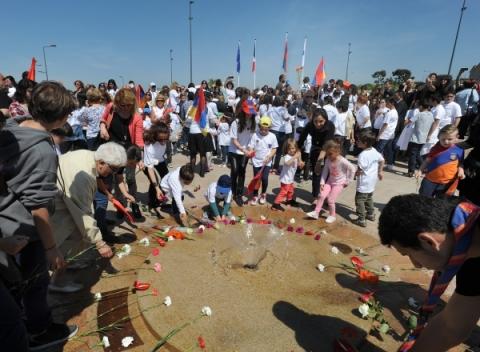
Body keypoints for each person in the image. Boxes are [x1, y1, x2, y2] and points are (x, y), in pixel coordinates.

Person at [0, 81, 78, 350]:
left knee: (14, 284)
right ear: (60, 118)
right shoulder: (43, 151)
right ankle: (39, 329)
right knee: (35, 282)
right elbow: (38, 206)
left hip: (5, 222)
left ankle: (22, 320)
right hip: (23, 228)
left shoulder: (12, 128)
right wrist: (52, 248)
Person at [378, 194, 480, 352]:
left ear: (428, 242)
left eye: (409, 254)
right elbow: (450, 328)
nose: (416, 265)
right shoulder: (468, 258)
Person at [48, 143, 122, 293]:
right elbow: (83, 214)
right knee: (60, 242)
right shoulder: (84, 175)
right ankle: (56, 281)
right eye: (113, 169)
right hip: (57, 208)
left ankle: (68, 263)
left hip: (62, 200)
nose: (113, 173)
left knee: (79, 236)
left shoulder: (89, 156)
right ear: (101, 162)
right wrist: (100, 242)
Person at [99, 87, 144, 219]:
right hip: (111, 150)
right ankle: (120, 206)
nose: (125, 108)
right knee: (114, 179)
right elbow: (103, 119)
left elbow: (139, 140)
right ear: (117, 102)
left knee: (130, 178)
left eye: (128, 105)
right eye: (122, 105)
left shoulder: (137, 117)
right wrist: (103, 127)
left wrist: (139, 158)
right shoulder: (111, 107)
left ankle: (133, 204)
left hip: (129, 152)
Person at [307, 140, 355, 223]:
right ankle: (316, 212)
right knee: (321, 195)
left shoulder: (342, 161)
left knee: (330, 200)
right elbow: (325, 171)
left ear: (337, 151)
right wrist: (322, 182)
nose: (328, 156)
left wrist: (348, 181)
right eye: (327, 154)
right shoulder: (328, 160)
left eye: (330, 154)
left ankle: (332, 215)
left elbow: (353, 169)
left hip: (339, 184)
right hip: (329, 182)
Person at [417, 124, 465, 197]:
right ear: (439, 138)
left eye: (449, 139)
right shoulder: (435, 148)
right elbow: (427, 161)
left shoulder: (460, 150)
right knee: (424, 200)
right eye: (443, 139)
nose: (446, 142)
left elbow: (460, 163)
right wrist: (420, 170)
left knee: (441, 204)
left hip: (447, 183)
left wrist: (461, 170)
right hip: (430, 180)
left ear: (457, 138)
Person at [297, 108, 335, 198]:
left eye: (321, 121)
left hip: (328, 149)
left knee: (328, 174)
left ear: (326, 119)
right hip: (315, 148)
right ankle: (316, 196)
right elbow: (300, 141)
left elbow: (326, 145)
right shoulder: (309, 125)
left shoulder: (330, 125)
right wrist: (298, 156)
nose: (318, 124)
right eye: (315, 121)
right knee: (316, 173)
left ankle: (326, 195)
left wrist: (320, 161)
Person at [354, 130, 384, 227]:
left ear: (365, 143)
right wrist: (380, 171)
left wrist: (354, 174)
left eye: (358, 140)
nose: (356, 141)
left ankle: (361, 219)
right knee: (369, 197)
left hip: (364, 182)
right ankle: (371, 214)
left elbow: (360, 170)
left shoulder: (362, 155)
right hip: (372, 181)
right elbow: (382, 160)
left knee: (360, 200)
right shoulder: (374, 150)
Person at [228, 98, 256, 206]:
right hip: (235, 150)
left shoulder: (253, 122)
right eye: (247, 113)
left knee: (242, 170)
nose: (249, 115)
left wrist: (250, 149)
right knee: (234, 171)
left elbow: (252, 137)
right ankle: (232, 191)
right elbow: (234, 140)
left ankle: (238, 195)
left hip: (246, 151)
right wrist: (243, 149)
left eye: (251, 113)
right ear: (243, 111)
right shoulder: (236, 122)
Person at [247, 116, 278, 205]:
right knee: (256, 179)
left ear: (269, 128)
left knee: (264, 178)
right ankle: (255, 195)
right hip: (256, 161)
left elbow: (274, 149)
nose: (264, 131)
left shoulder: (272, 136)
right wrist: (250, 151)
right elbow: (250, 146)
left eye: (266, 129)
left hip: (266, 162)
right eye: (262, 129)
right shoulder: (255, 135)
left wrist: (270, 156)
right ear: (259, 127)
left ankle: (263, 193)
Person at [143, 122, 170, 214]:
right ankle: (152, 202)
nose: (163, 142)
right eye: (160, 139)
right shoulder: (149, 146)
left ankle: (160, 198)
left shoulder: (164, 140)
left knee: (166, 178)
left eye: (165, 139)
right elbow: (150, 168)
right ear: (155, 136)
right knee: (155, 181)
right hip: (147, 163)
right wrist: (156, 187)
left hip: (159, 160)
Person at [272, 139, 304, 211]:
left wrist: (301, 163)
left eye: (293, 148)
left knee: (291, 191)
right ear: (286, 150)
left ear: (296, 148)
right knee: (284, 192)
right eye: (289, 149)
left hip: (290, 178)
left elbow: (299, 165)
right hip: (285, 179)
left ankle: (289, 200)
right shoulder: (287, 156)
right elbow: (287, 163)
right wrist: (295, 157)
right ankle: (276, 204)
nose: (292, 150)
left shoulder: (295, 155)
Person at [405, 100, 434, 177]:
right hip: (424, 138)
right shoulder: (431, 115)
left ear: (421, 106)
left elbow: (409, 122)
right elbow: (433, 124)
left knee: (412, 155)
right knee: (417, 154)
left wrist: (406, 120)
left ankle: (411, 171)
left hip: (415, 138)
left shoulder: (419, 114)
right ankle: (425, 168)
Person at [267, 96, 290, 173]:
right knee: (279, 151)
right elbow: (287, 118)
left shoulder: (270, 109)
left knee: (271, 149)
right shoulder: (283, 109)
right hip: (281, 131)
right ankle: (276, 168)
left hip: (272, 130)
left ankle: (269, 166)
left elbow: (267, 118)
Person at [376, 98, 398, 170]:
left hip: (385, 134)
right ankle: (390, 164)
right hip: (390, 134)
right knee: (389, 150)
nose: (387, 104)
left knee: (379, 149)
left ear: (392, 104)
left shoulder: (390, 113)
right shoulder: (395, 112)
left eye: (388, 103)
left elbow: (385, 124)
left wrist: (379, 135)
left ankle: (374, 163)